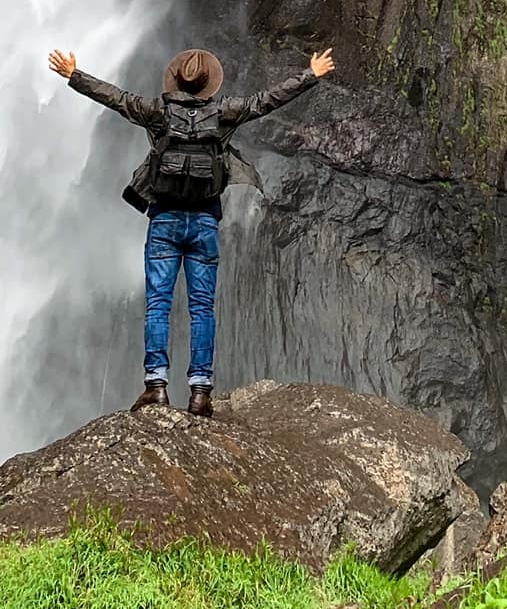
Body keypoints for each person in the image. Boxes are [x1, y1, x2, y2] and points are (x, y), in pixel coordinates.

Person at [47, 40, 334, 417]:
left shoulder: (157, 112)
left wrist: (74, 75)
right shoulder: (226, 112)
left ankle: (156, 386)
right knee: (201, 308)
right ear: (209, 84)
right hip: (203, 221)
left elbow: (116, 99)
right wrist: (309, 75)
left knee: (158, 306)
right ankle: (200, 391)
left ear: (177, 82)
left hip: (164, 219)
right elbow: (267, 100)